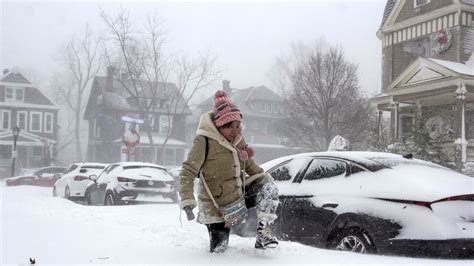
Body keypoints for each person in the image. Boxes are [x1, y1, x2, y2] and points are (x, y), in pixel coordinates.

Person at [179, 90, 279, 253]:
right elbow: (188, 170)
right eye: (230, 126)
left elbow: (249, 165)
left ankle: (264, 235)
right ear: (219, 125)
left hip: (238, 195)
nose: (235, 130)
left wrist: (266, 179)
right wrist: (187, 200)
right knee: (220, 250)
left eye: (238, 125)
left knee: (267, 186)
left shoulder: (238, 139)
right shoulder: (204, 141)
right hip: (215, 205)